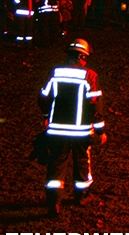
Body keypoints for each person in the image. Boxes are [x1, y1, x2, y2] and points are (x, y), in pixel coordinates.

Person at [36, 39, 105, 216]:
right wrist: (100, 130)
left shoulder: (55, 73)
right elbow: (95, 106)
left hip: (57, 130)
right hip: (81, 131)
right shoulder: (90, 76)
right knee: (82, 162)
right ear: (82, 56)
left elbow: (43, 97)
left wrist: (46, 116)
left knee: (56, 163)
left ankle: (54, 202)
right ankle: (81, 196)